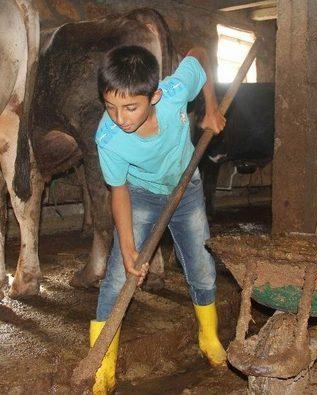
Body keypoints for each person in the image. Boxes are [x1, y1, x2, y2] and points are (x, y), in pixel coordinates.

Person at [89, 44, 227, 394]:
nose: (120, 118)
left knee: (201, 267)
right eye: (111, 106)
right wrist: (130, 247)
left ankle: (208, 336)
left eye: (130, 107)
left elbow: (199, 53)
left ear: (155, 95)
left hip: (187, 186)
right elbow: (117, 190)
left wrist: (210, 108)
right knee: (119, 275)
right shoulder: (108, 138)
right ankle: (101, 366)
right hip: (140, 195)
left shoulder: (175, 92)